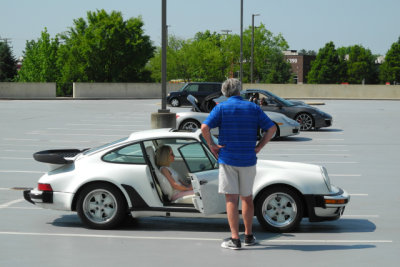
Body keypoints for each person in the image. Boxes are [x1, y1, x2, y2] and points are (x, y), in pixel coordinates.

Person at [201, 78, 276, 250]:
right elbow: (271, 128)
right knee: (247, 198)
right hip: (248, 159)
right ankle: (249, 235)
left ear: (224, 92)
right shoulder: (253, 107)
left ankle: (235, 239)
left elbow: (204, 127)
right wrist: (259, 147)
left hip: (227, 159)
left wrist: (212, 145)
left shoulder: (221, 108)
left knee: (231, 199)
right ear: (239, 90)